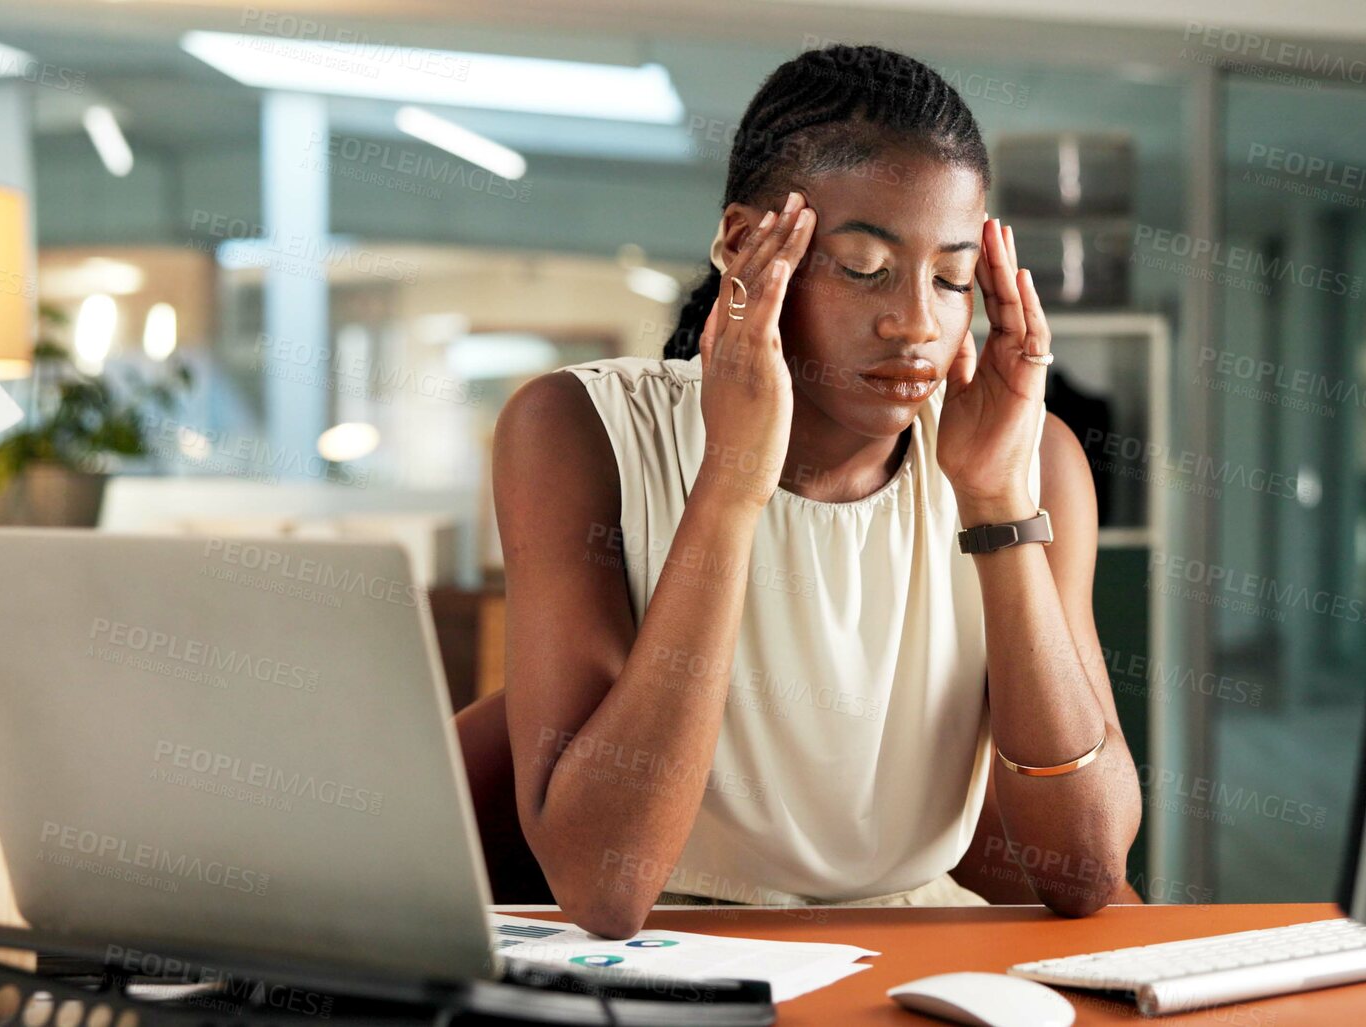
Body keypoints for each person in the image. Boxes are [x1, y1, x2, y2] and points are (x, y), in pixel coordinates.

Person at [477, 43, 1140, 939]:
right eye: (864, 267)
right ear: (747, 243)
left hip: (915, 943)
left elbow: (1089, 866)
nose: (915, 323)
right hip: (667, 949)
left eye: (949, 279)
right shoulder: (577, 430)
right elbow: (606, 886)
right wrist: (734, 479)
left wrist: (994, 506)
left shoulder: (1030, 461)